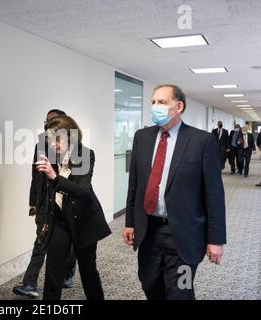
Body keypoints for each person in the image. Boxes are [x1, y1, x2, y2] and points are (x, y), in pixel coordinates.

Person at [123, 84, 226, 300]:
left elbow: (214, 195)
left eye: (161, 102)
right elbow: (135, 185)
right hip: (149, 231)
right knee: (150, 285)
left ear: (178, 106)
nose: (155, 107)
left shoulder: (202, 142)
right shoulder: (142, 138)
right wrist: (130, 222)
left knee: (181, 291)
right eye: (153, 102)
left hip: (184, 237)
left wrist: (216, 239)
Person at [37, 115, 111, 300]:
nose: (53, 144)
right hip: (60, 220)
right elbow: (49, 193)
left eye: (56, 139)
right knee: (53, 272)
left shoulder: (86, 154)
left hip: (83, 219)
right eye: (50, 140)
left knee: (88, 272)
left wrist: (56, 178)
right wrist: (46, 220)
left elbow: (83, 191)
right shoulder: (52, 157)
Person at [13, 109, 77, 298]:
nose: (48, 124)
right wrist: (33, 201)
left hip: (66, 202)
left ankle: (67, 274)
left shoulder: (74, 148)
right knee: (41, 241)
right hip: (45, 202)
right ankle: (30, 283)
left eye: (53, 120)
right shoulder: (40, 144)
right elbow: (35, 175)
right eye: (47, 120)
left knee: (70, 241)